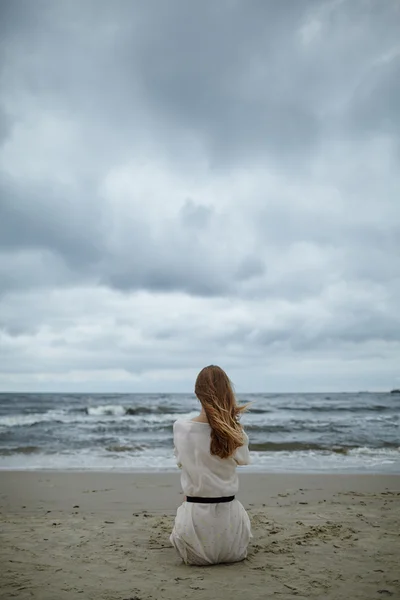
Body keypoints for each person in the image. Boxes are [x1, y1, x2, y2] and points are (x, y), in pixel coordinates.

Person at [170, 365, 252, 565]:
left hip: (195, 531)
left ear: (197, 393)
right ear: (228, 392)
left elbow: (181, 462)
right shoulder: (235, 431)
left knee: (188, 497)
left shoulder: (181, 428)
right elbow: (243, 460)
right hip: (233, 540)